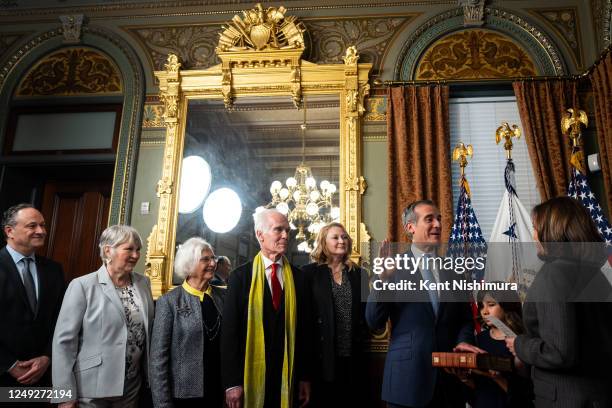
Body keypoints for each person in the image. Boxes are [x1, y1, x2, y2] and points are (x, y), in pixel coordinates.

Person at [366, 200, 479, 408]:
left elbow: (465, 320)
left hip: (449, 382)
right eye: (429, 219)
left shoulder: (454, 271)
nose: (437, 224)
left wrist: (463, 343)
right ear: (411, 227)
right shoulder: (392, 268)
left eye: (439, 219)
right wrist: (384, 281)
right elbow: (374, 321)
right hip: (407, 383)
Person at [505, 196, 612, 407]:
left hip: (566, 398)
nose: (533, 235)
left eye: (535, 228)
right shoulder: (596, 273)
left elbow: (559, 353)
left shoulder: (554, 273)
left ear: (551, 232)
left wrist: (519, 344)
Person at [52, 225, 154, 408]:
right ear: (108, 250)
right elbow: (64, 342)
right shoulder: (82, 286)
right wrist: (64, 394)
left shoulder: (143, 283)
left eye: (138, 249)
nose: (136, 255)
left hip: (131, 385)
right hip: (91, 387)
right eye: (129, 249)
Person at [221, 209, 311, 408]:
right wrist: (232, 383)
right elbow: (229, 334)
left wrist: (305, 377)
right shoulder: (239, 277)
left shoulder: (299, 278)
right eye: (278, 230)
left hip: (289, 375)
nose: (286, 235)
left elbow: (306, 333)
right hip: (248, 376)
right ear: (259, 235)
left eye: (287, 230)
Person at [150, 237, 225, 408]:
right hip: (184, 397)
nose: (213, 263)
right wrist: (162, 404)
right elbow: (157, 360)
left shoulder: (223, 298)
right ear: (189, 264)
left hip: (219, 391)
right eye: (206, 259)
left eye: (214, 258)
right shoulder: (169, 302)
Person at [0, 204, 65, 397]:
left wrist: (47, 357)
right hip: (4, 375)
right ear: (10, 231)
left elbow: (61, 319)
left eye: (43, 225)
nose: (41, 231)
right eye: (32, 226)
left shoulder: (54, 270)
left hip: (41, 377)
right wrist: (9, 364)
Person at [301, 222, 368, 407]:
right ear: (324, 242)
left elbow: (366, 315)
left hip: (352, 359)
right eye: (336, 237)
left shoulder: (359, 274)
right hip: (321, 361)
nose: (342, 241)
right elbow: (304, 321)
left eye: (345, 237)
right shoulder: (308, 274)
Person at [457, 287, 533, 408]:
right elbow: (476, 389)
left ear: (506, 305)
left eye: (491, 305)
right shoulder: (477, 340)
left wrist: (497, 378)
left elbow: (526, 395)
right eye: (481, 306)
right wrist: (465, 379)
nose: (484, 312)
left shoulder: (521, 341)